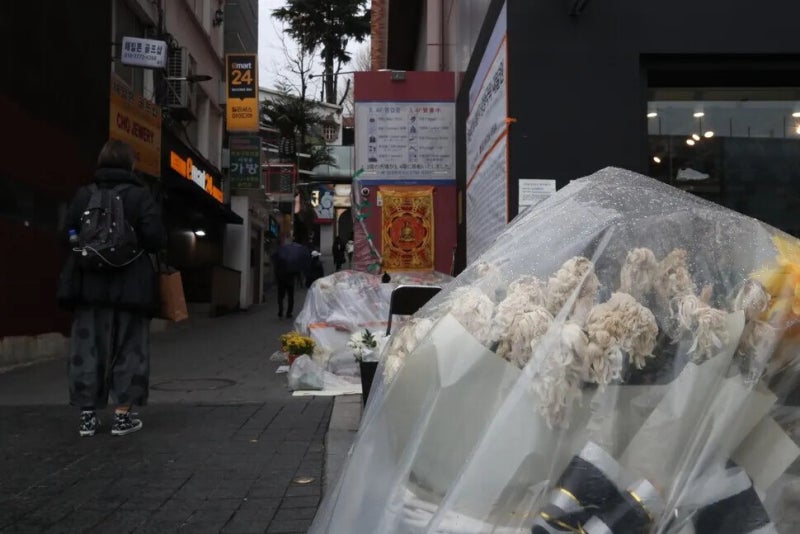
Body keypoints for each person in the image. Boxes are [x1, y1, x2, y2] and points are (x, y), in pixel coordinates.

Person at [57, 139, 165, 437]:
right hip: (132, 287)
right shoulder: (140, 196)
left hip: (88, 286)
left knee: (87, 348)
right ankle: (122, 417)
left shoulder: (84, 194)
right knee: (129, 349)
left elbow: (66, 233)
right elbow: (155, 239)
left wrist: (84, 245)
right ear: (131, 164)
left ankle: (87, 417)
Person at [273, 237, 311, 318]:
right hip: (290, 280)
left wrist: (277, 277)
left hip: (281, 279)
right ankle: (289, 312)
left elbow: (276, 268)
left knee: (281, 296)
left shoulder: (281, 255)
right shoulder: (293, 259)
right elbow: (297, 269)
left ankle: (280, 310)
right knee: (290, 296)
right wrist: (298, 277)